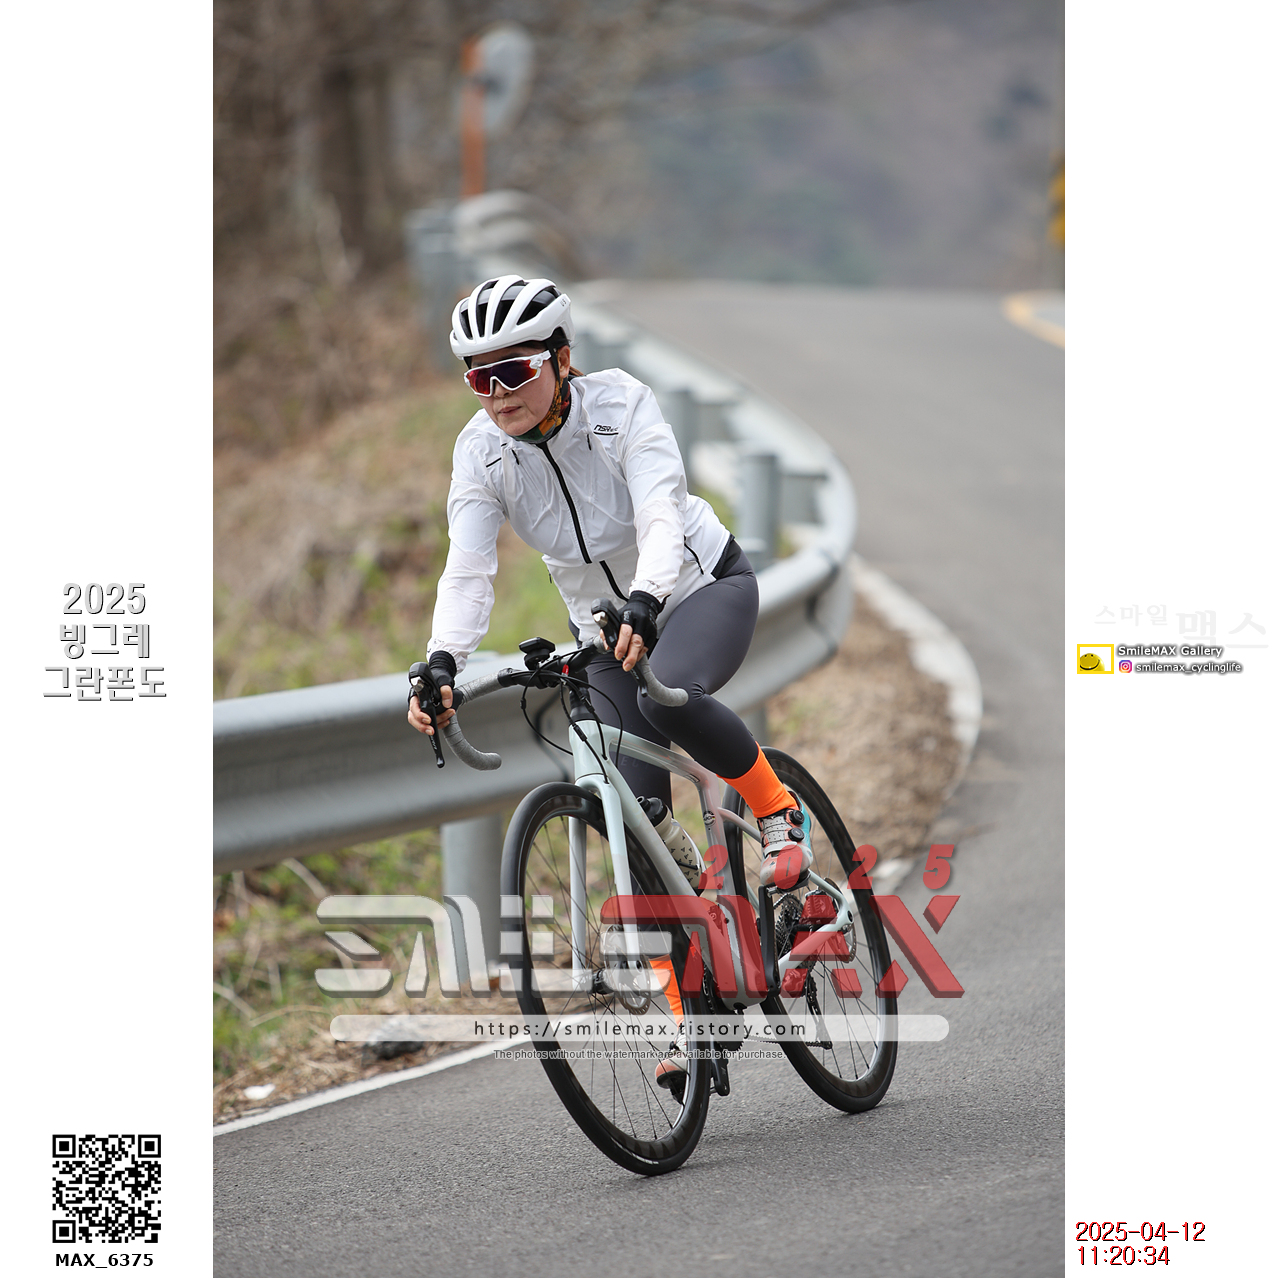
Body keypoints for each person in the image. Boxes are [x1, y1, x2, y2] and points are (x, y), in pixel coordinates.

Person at [407, 274, 811, 1085]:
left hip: (695, 589)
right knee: (634, 821)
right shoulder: (481, 452)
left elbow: (661, 510)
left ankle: (778, 809)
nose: (497, 394)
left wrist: (649, 598)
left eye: (513, 371)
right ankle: (692, 1015)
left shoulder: (621, 406)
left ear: (561, 358)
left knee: (673, 699)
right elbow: (469, 568)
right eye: (479, 378)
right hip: (605, 629)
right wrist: (443, 658)